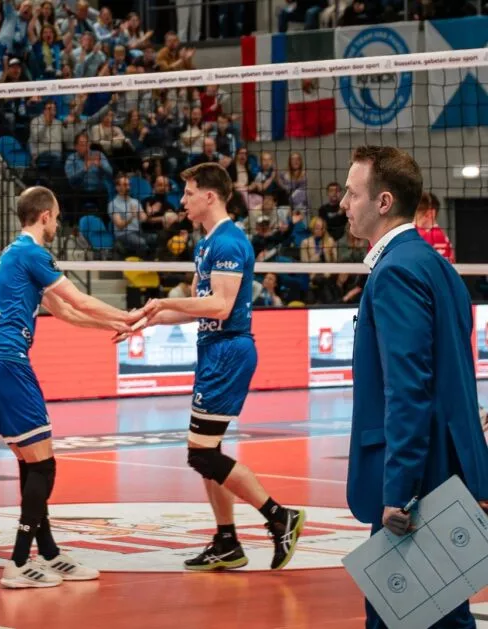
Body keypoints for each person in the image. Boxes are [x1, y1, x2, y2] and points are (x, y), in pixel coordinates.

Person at [340, 146, 488, 629]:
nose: (342, 203)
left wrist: (400, 492)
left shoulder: (396, 272)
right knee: (442, 613)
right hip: (448, 472)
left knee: (398, 615)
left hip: (418, 483)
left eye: (352, 193)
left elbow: (409, 390)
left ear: (383, 202)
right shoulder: (437, 266)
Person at [134, 163, 305, 572]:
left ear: (210, 196)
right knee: (207, 452)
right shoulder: (206, 244)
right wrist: (147, 319)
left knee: (202, 456)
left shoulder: (228, 242)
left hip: (228, 352)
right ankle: (227, 541)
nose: (182, 200)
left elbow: (221, 306)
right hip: (213, 349)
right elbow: (199, 309)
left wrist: (165, 301)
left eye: (189, 193)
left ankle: (279, 516)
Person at [0, 186, 136, 588]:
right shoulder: (32, 253)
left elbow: (64, 311)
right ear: (44, 215)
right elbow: (78, 299)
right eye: (58, 217)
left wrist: (114, 324)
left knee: (30, 462)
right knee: (44, 466)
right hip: (7, 361)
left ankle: (48, 552)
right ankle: (16, 562)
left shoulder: (14, 255)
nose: (58, 224)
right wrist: (130, 317)